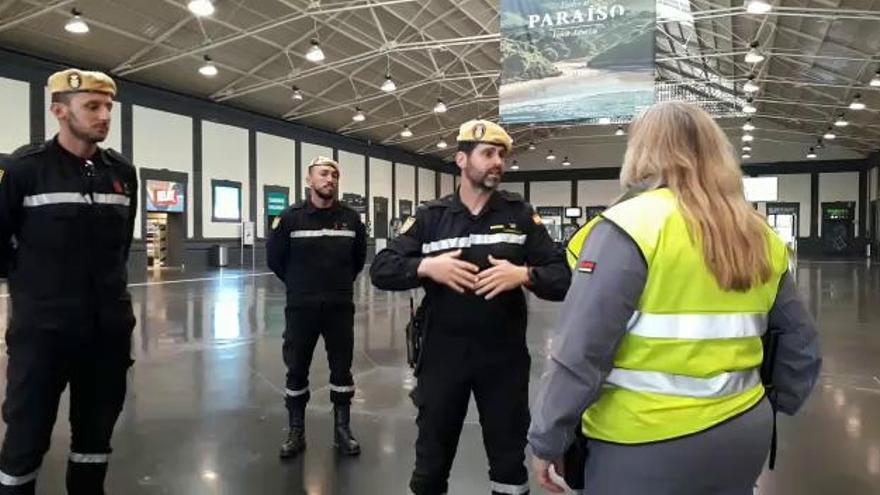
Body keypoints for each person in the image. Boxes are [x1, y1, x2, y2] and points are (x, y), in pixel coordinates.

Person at [528, 101, 822, 495]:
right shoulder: (756, 233)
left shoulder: (629, 226)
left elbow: (580, 350)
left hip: (643, 443)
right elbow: (801, 345)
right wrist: (771, 406)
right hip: (743, 433)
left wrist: (548, 438)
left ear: (642, 151)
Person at [370, 120, 571, 495]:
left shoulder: (520, 216)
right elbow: (381, 269)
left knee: (509, 462)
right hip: (442, 357)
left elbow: (563, 277)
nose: (498, 162)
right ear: (462, 159)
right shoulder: (431, 218)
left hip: (503, 360)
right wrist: (426, 266)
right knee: (431, 459)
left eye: (502, 155)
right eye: (488, 154)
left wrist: (524, 275)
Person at [0, 69, 138, 494]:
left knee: (95, 440)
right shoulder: (24, 170)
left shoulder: (123, 173)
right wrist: (36, 292)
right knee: (26, 438)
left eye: (108, 107)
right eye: (91, 107)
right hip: (43, 336)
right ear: (60, 111)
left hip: (106, 335)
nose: (104, 116)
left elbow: (120, 247)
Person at [266, 156, 367, 458]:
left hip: (339, 307)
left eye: (335, 175)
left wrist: (336, 286)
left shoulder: (351, 219)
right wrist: (301, 286)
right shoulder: (289, 218)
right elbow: (275, 260)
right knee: (296, 369)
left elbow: (358, 259)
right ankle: (296, 431)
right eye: (324, 174)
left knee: (342, 370)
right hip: (301, 309)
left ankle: (342, 429)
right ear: (309, 180)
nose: (330, 179)